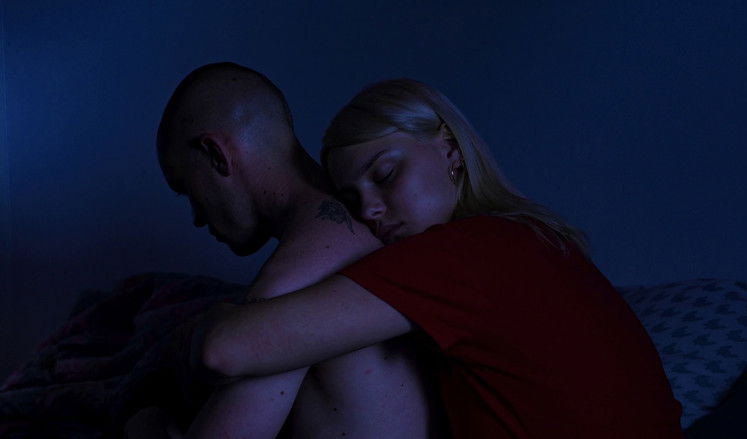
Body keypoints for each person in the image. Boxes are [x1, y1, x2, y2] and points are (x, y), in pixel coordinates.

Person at [192, 78, 686, 438]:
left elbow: (226, 349)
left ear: (451, 151)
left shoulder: (465, 253)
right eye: (352, 198)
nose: (369, 210)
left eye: (385, 175)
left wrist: (200, 325)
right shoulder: (533, 242)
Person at [144, 63, 448, 438]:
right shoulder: (363, 227)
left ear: (217, 154)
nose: (196, 217)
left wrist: (146, 424)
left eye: (186, 189)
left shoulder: (292, 284)